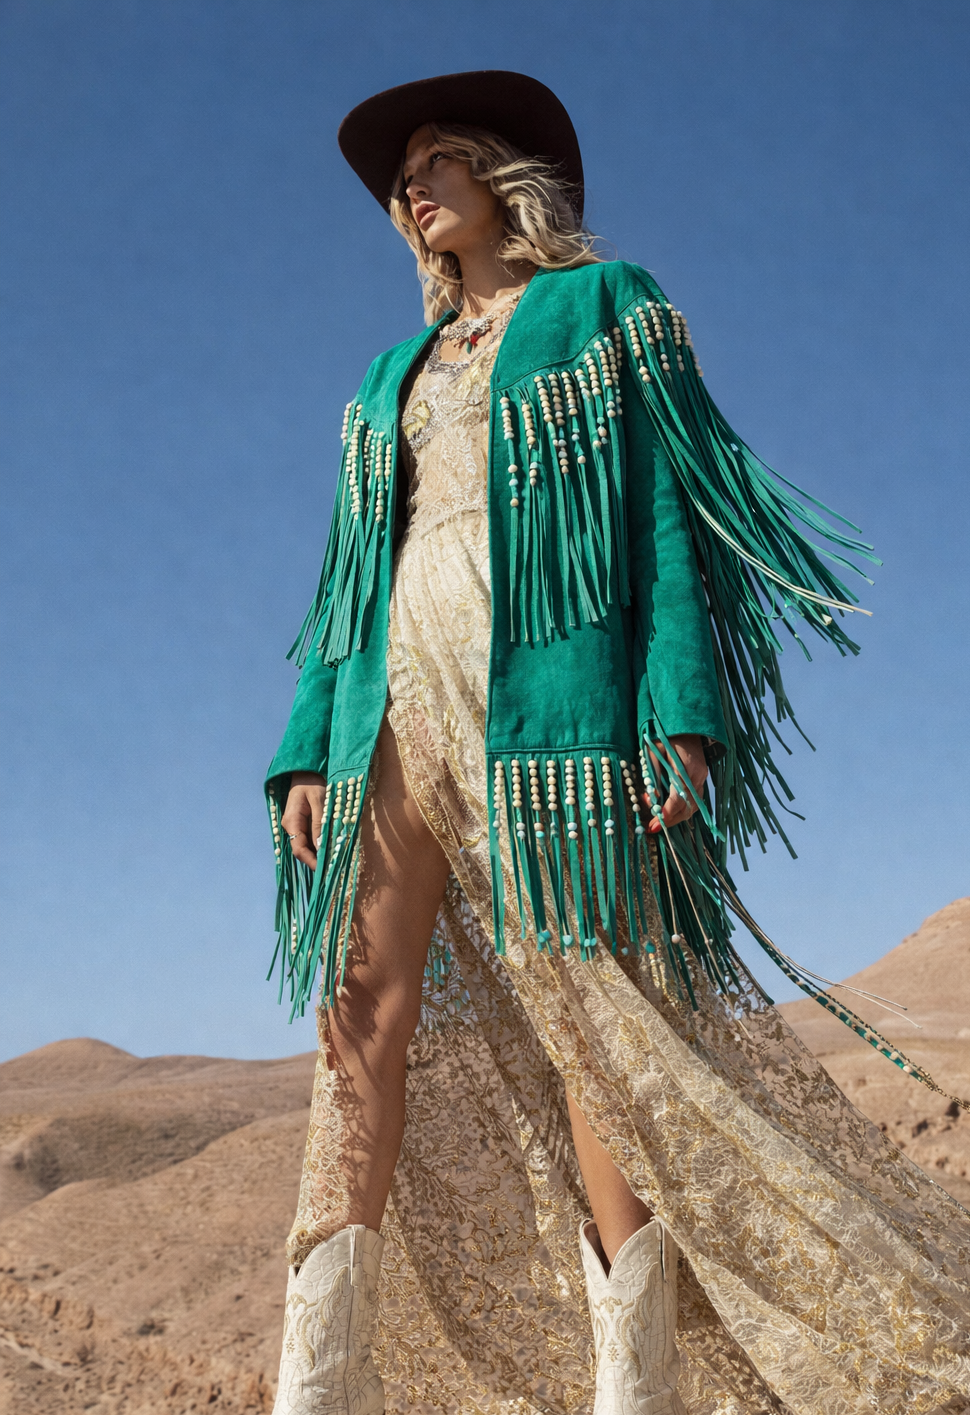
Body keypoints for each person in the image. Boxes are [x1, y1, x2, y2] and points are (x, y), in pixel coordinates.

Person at [264, 71, 969, 1415]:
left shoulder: (606, 307)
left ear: (502, 174)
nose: (410, 190)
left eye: (434, 161)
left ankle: (628, 1383)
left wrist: (678, 714)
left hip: (555, 717)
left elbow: (665, 525)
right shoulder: (386, 374)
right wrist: (307, 745)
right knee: (355, 1010)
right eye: (400, 178)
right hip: (392, 703)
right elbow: (347, 576)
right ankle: (319, 1379)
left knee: (598, 1025)